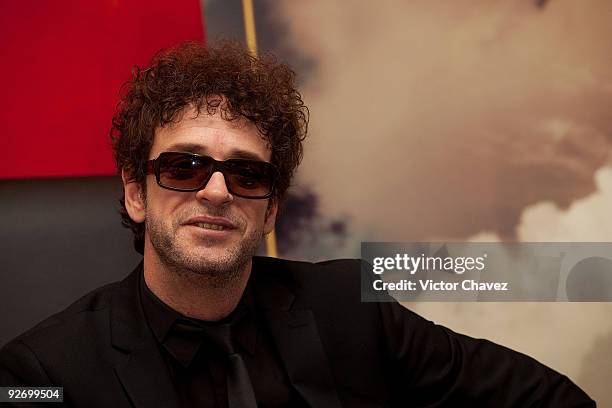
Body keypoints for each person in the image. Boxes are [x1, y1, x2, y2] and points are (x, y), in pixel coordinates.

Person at [0, 41, 595, 407]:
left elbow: (552, 398)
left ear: (271, 209)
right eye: (184, 168)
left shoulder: (354, 311)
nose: (215, 191)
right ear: (136, 192)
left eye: (247, 175)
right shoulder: (41, 374)